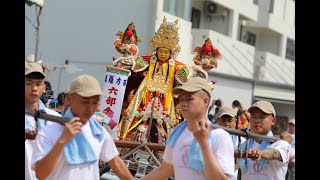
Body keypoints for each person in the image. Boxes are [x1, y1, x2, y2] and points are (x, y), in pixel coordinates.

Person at [32, 74, 134, 180]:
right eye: (85, 102)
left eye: (95, 103)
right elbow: (40, 174)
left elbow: (116, 163)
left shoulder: (98, 133)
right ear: (69, 100)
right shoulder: (49, 132)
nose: (90, 108)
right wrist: (62, 141)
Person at [141, 77, 235, 180]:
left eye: (189, 99)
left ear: (205, 101)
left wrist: (204, 145)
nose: (183, 104)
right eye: (181, 99)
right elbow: (164, 170)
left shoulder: (219, 136)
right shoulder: (177, 134)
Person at [25, 62, 61, 180]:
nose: (34, 88)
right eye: (29, 83)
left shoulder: (55, 118)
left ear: (44, 88)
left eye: (38, 84)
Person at [239, 100, 290, 180]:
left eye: (262, 117)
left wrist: (261, 153)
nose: (257, 120)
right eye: (253, 116)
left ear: (273, 121)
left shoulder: (281, 144)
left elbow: (274, 153)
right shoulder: (243, 146)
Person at [216, 106, 246, 180]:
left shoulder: (241, 141)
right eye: (223, 120)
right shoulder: (210, 137)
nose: (226, 124)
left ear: (235, 120)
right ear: (217, 120)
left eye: (230, 121)